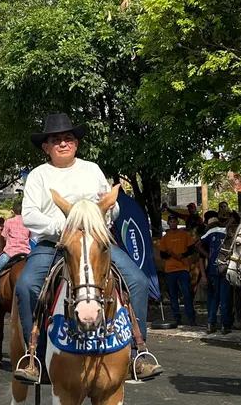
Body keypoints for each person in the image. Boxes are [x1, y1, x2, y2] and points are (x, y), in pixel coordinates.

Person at [14, 113, 162, 383]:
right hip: (53, 244)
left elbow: (113, 210)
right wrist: (65, 227)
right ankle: (35, 356)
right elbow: (30, 216)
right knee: (26, 287)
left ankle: (137, 353)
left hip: (95, 242)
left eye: (68, 138)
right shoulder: (38, 176)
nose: (62, 143)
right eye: (55, 139)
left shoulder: (92, 169)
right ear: (46, 147)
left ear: (76, 144)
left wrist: (109, 207)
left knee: (138, 282)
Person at [0, 200, 31, 309]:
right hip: (25, 253)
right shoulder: (28, 222)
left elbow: (4, 236)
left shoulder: (9, 222)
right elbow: (30, 237)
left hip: (10, 253)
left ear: (13, 211)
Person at [159, 215, 199, 327]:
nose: (173, 223)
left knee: (186, 293)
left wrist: (182, 255)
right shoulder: (165, 238)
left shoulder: (184, 234)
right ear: (168, 223)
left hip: (183, 268)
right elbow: (162, 255)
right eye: (171, 221)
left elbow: (191, 249)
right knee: (173, 294)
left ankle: (191, 318)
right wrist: (169, 253)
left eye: (174, 221)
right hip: (170, 269)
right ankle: (176, 317)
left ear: (177, 222)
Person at [200, 212, 233, 334]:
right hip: (224, 269)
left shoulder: (210, 232)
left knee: (214, 297)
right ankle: (225, 325)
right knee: (224, 298)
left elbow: (198, 245)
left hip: (213, 269)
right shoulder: (227, 232)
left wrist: (209, 256)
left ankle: (211, 323)